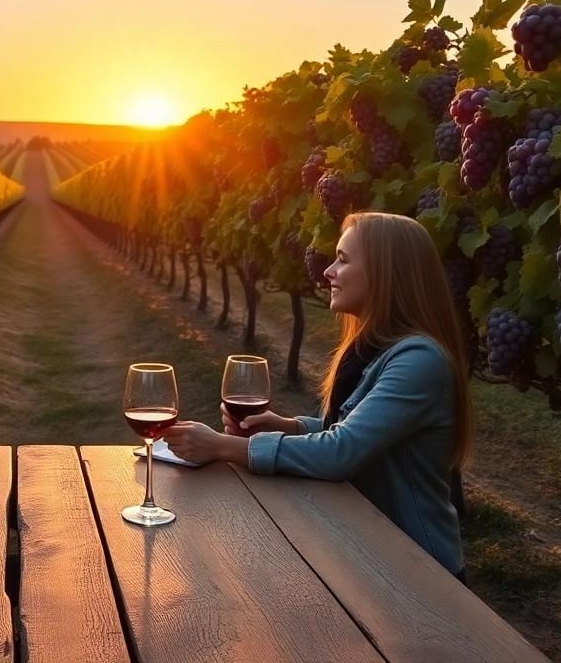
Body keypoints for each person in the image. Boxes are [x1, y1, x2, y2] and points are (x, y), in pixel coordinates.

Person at [158, 211, 472, 582]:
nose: (327, 271)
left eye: (343, 259)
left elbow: (341, 452)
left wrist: (223, 447)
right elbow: (348, 430)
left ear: (386, 272)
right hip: (371, 552)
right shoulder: (368, 349)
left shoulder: (420, 360)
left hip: (421, 572)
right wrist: (289, 426)